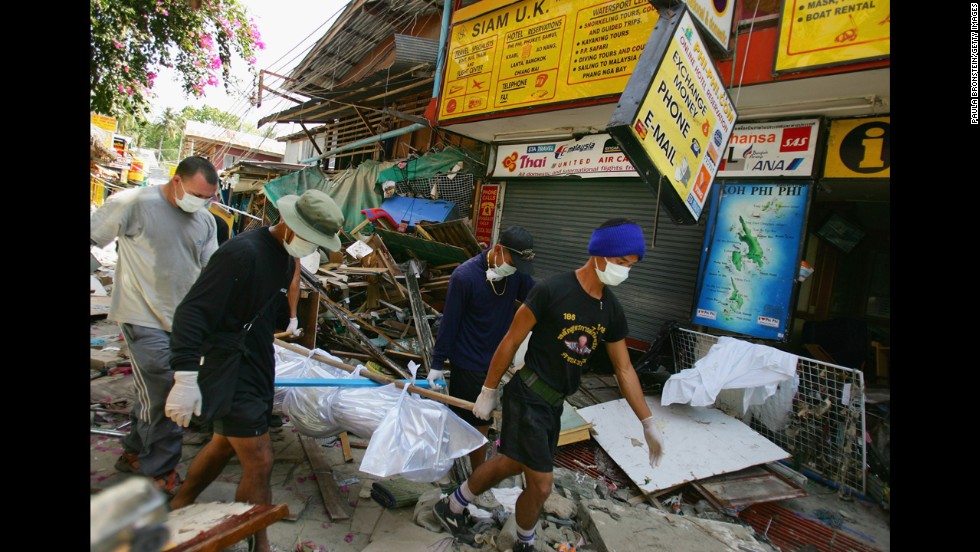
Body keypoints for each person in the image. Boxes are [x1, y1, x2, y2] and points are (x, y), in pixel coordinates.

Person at [432, 218, 666, 551]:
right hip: (528, 395)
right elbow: (510, 341)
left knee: (510, 462)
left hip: (554, 403)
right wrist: (488, 389)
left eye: (630, 266)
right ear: (599, 254)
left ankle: (453, 505)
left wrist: (647, 421)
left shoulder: (611, 310)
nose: (624, 272)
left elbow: (624, 369)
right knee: (541, 485)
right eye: (620, 262)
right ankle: (524, 543)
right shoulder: (552, 290)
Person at [164, 189, 344, 552]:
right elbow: (191, 313)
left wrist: (291, 320)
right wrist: (184, 376)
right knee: (260, 458)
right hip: (229, 363)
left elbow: (261, 310)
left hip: (257, 359)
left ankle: (180, 503)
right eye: (312, 240)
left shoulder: (282, 256)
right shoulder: (241, 253)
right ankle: (259, 543)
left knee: (222, 445)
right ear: (291, 227)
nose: (313, 249)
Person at [90, 156, 220, 495]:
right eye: (197, 194)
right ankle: (159, 471)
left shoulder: (205, 221)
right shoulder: (134, 203)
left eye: (209, 197)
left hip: (184, 322)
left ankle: (134, 450)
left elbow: (211, 273)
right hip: (141, 314)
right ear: (177, 181)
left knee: (151, 390)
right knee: (165, 388)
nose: (202, 202)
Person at [429, 226, 536, 472]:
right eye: (513, 260)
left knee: (481, 420)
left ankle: (473, 474)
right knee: (467, 420)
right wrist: (437, 363)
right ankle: (464, 472)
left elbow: (536, 295)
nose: (514, 267)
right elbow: (450, 321)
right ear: (498, 250)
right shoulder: (464, 276)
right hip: (467, 360)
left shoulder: (515, 274)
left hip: (496, 360)